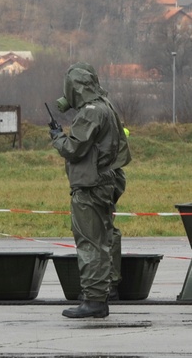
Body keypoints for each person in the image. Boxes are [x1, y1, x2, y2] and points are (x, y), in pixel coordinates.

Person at [50, 62, 132, 319]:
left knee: (90, 243)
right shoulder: (105, 106)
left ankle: (94, 299)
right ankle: (102, 293)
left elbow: (74, 148)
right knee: (102, 240)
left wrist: (57, 137)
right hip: (104, 182)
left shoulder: (91, 112)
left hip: (90, 186)